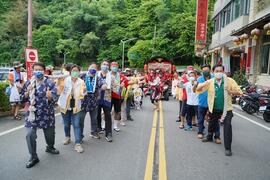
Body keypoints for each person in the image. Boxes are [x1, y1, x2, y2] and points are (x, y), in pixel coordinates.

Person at [196, 64, 243, 156]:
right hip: (213, 108)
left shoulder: (229, 81)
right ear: (213, 72)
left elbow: (239, 92)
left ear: (223, 72)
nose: (219, 73)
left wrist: (230, 91)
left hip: (227, 109)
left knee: (227, 126)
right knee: (212, 123)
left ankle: (228, 148)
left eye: (221, 71)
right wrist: (198, 84)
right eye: (217, 71)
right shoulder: (210, 82)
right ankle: (209, 136)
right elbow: (199, 90)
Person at [21, 62, 59, 168]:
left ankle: (50, 147)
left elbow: (56, 97)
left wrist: (50, 97)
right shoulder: (29, 83)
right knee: (29, 134)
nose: (38, 71)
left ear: (44, 70)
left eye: (40, 69)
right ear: (33, 71)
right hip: (32, 114)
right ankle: (33, 157)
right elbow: (22, 99)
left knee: (50, 135)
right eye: (36, 69)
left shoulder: (50, 83)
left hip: (47, 114)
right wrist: (26, 93)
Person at [58, 64, 85, 153]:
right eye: (73, 71)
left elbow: (83, 93)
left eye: (77, 71)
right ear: (70, 72)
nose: (75, 72)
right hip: (64, 106)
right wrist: (60, 81)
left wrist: (84, 92)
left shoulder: (81, 82)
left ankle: (77, 143)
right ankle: (67, 137)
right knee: (66, 124)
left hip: (76, 107)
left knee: (76, 124)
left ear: (79, 72)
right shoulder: (65, 80)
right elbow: (59, 90)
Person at [80, 63, 103, 141]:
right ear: (88, 67)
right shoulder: (82, 76)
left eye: (94, 68)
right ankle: (80, 135)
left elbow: (102, 84)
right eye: (91, 67)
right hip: (83, 101)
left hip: (94, 101)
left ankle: (93, 132)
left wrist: (104, 86)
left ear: (96, 70)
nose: (93, 69)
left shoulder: (98, 78)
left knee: (94, 118)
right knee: (81, 119)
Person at [97, 60, 114, 142]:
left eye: (107, 65)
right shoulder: (96, 75)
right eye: (104, 64)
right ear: (101, 65)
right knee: (97, 115)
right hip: (97, 98)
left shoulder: (111, 76)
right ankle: (98, 129)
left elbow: (116, 86)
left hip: (107, 99)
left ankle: (109, 133)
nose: (105, 66)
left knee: (108, 116)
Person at [194, 64, 214, 139]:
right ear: (202, 71)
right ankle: (200, 132)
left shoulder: (214, 78)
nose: (205, 71)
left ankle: (212, 134)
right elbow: (195, 90)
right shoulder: (199, 79)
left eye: (207, 70)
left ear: (210, 70)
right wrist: (195, 85)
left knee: (212, 119)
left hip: (212, 102)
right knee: (200, 118)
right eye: (204, 70)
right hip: (202, 102)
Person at [110, 62, 128, 132]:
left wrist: (123, 85)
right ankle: (103, 125)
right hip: (108, 96)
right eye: (113, 66)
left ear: (118, 67)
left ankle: (115, 126)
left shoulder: (121, 76)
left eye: (116, 66)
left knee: (117, 111)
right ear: (110, 67)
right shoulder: (108, 75)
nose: (114, 67)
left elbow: (126, 83)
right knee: (106, 111)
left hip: (118, 96)